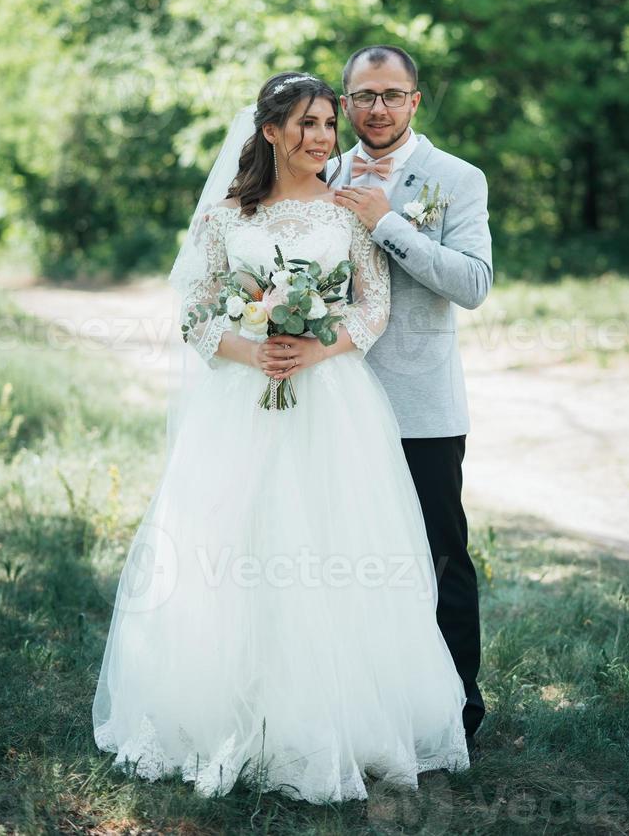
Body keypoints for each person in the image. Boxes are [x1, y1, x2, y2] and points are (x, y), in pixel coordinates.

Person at [92, 72, 469, 805]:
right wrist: (254, 351)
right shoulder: (225, 219)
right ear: (269, 131)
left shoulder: (348, 212)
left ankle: (332, 720)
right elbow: (197, 316)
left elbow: (374, 307)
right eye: (307, 124)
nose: (323, 137)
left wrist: (316, 348)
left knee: (333, 550)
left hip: (333, 402)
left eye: (329, 123)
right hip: (241, 404)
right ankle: (229, 714)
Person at [331, 45, 493, 742]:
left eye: (392, 94)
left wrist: (386, 223)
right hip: (334, 403)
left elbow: (473, 284)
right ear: (345, 104)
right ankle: (366, 703)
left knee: (440, 559)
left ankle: (458, 711)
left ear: (415, 100)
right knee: (345, 558)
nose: (378, 109)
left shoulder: (456, 178)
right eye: (365, 96)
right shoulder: (319, 172)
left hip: (421, 408)